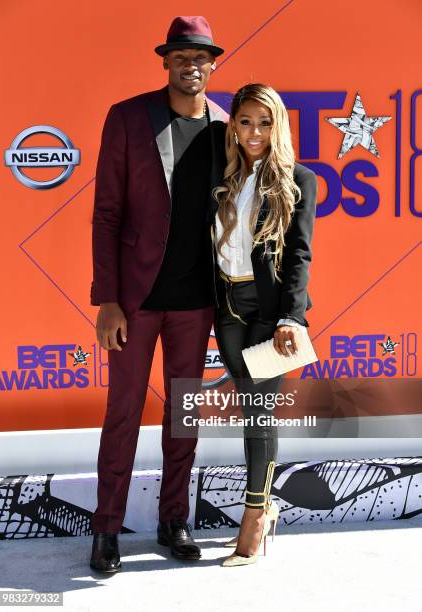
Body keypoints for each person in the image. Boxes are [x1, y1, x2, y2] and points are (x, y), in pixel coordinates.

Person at [89, 16, 228, 572]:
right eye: (180, 57)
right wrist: (108, 299)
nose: (190, 66)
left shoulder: (225, 125)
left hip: (197, 302)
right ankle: (105, 530)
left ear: (212, 64)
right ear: (165, 62)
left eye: (199, 58)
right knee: (122, 412)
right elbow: (106, 214)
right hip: (136, 301)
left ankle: (174, 521)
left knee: (183, 418)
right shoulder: (127, 119)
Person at [211, 83, 317, 566]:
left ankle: (255, 520)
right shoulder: (224, 176)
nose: (255, 132)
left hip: (270, 313)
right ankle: (263, 505)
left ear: (279, 125)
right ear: (233, 124)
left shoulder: (297, 179)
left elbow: (299, 254)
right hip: (227, 306)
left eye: (265, 122)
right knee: (248, 408)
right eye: (246, 121)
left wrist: (291, 317)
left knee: (259, 414)